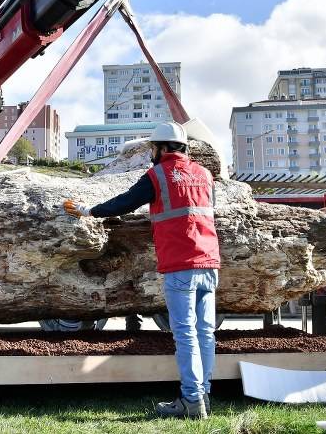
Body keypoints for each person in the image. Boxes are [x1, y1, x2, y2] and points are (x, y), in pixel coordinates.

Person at [63, 122, 220, 419]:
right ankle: (203, 397)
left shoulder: (158, 175)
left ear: (162, 148)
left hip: (180, 264)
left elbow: (126, 202)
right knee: (205, 333)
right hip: (210, 262)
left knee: (185, 333)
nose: (151, 153)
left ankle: (190, 400)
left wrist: (89, 211)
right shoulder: (205, 174)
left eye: (153, 148)